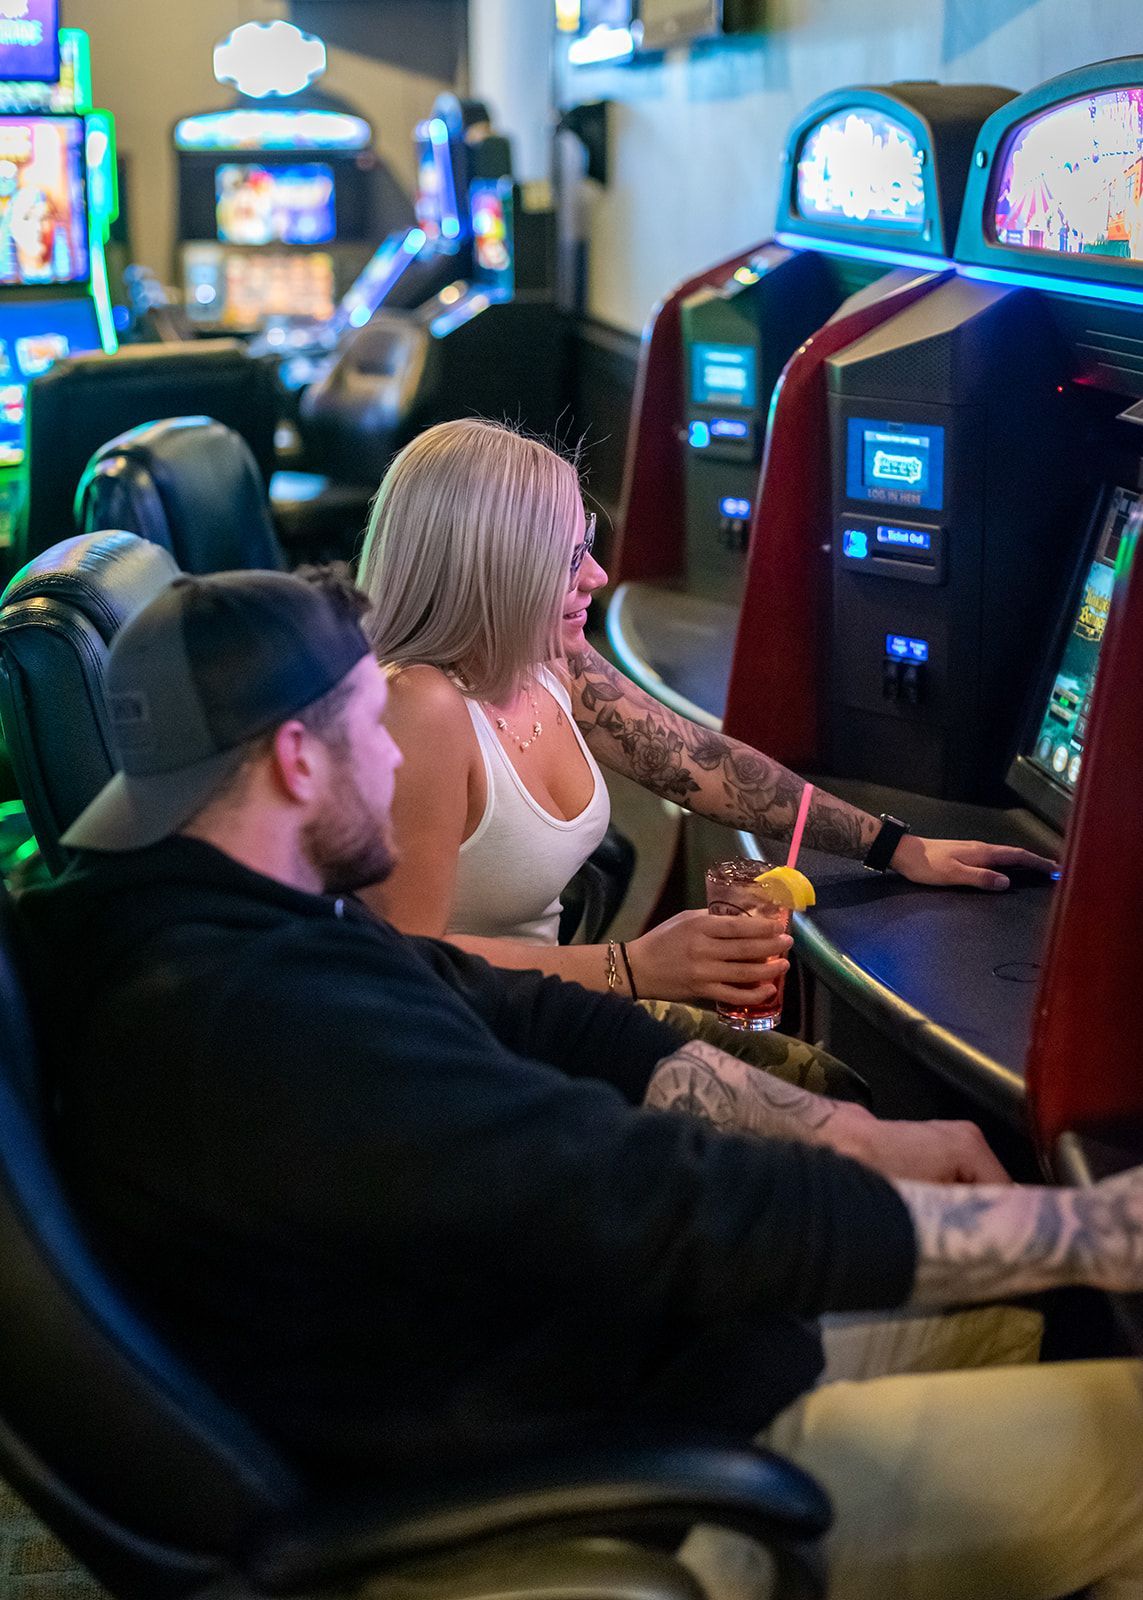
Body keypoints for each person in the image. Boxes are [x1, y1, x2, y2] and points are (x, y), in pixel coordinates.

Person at [15, 567, 1143, 1600]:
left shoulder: (202, 925)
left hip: (624, 1373)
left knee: (1020, 1311)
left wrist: (852, 1132)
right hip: (622, 1493)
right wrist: (1090, 1228)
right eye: (372, 728)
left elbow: (531, 1011)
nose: (399, 756)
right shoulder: (260, 1029)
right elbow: (656, 1201)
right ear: (297, 761)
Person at [355, 419, 1057, 1014]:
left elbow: (695, 762)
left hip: (548, 1014)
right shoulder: (417, 709)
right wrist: (626, 969)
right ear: (494, 571)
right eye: (568, 560)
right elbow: (405, 963)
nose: (597, 577)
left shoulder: (541, 658)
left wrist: (897, 849)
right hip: (464, 1048)